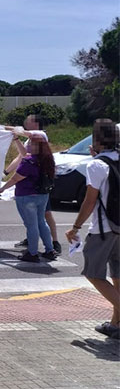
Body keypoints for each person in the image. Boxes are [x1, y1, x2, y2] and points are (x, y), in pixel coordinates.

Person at [65, 119, 120, 340]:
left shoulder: (96, 165)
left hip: (103, 229)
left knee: (92, 273)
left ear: (96, 140)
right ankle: (116, 325)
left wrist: (75, 227)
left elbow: (89, 201)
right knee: (117, 275)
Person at [0, 115, 62, 255]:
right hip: (42, 193)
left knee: (33, 224)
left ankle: (33, 252)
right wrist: (16, 139)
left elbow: (16, 178)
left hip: (28, 194)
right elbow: (22, 154)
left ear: (36, 123)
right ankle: (50, 249)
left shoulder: (39, 135)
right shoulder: (44, 157)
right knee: (41, 221)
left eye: (28, 120)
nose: (24, 123)